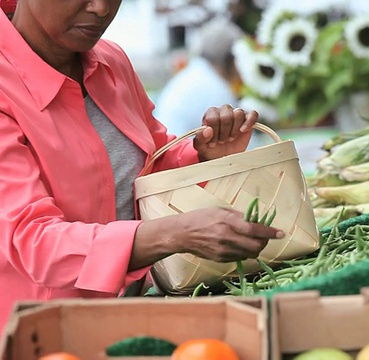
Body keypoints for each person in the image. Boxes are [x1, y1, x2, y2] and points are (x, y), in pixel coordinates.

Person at [0, 0, 284, 331]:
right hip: (50, 332)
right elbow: (32, 239)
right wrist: (174, 234)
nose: (101, 8)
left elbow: (152, 165)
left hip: (137, 311)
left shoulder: (111, 62)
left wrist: (202, 156)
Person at [154, 17, 244, 137]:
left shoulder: (195, 74)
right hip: (179, 151)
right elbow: (239, 141)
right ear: (230, 59)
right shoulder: (213, 87)